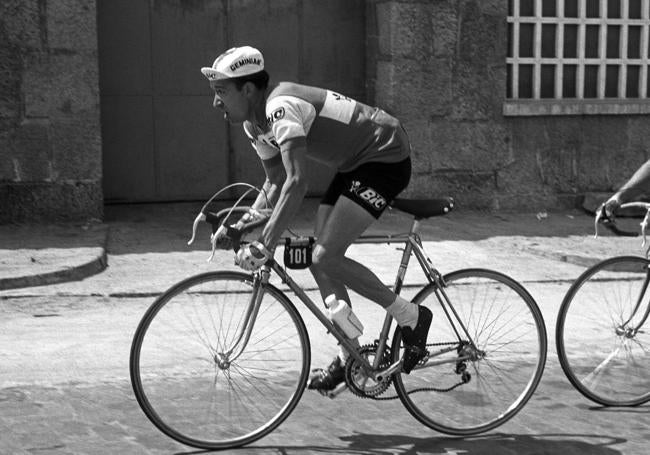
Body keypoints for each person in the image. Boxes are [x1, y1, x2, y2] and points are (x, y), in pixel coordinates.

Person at [200, 45, 431, 392]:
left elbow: (297, 182)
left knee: (325, 255)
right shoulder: (254, 125)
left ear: (247, 89)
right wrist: (243, 224)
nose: (216, 102)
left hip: (385, 156)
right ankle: (349, 354)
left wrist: (266, 242)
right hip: (354, 164)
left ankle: (410, 316)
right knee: (319, 262)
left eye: (222, 92)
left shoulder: (280, 108)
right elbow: (274, 182)